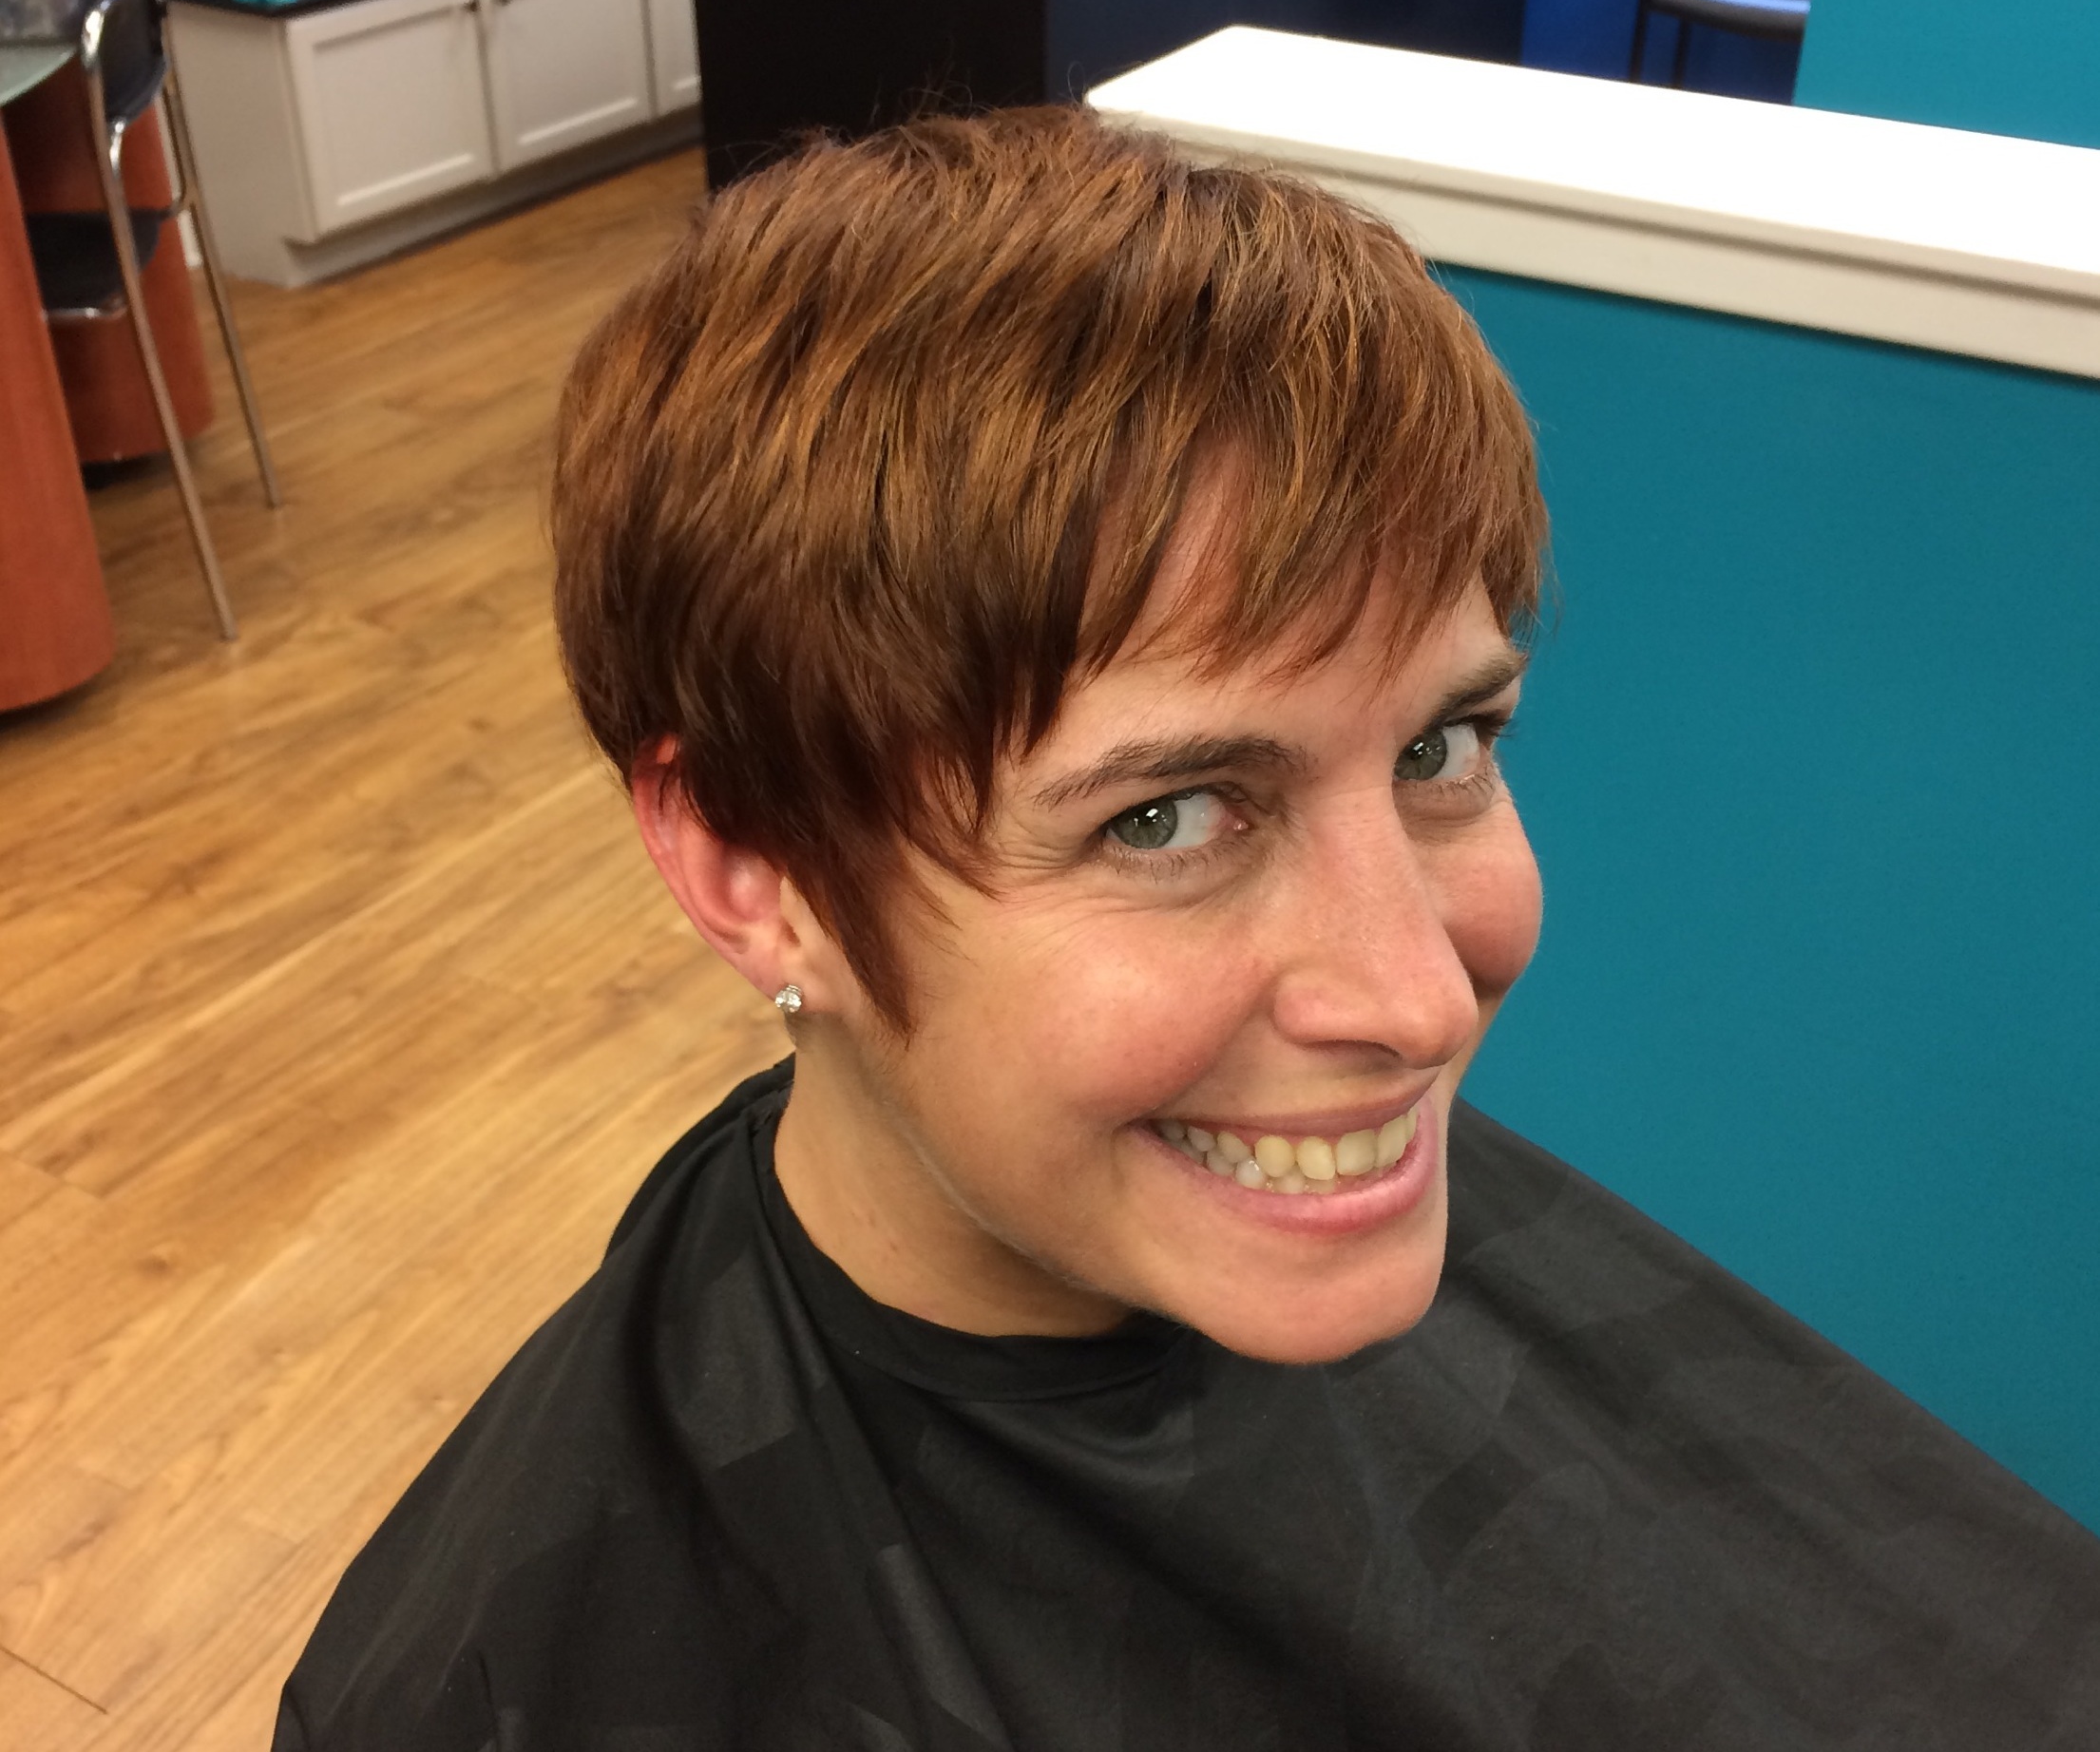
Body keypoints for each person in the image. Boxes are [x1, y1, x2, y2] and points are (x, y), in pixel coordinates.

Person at [274, 108, 2100, 1751]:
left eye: (1443, 750)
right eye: (1164, 817)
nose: (1417, 998)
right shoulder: (496, 1686)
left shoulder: (1258, 1161)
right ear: (752, 865)